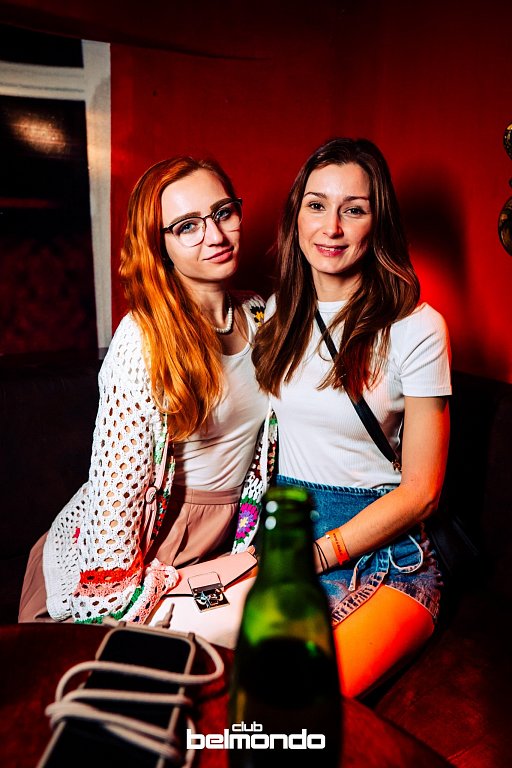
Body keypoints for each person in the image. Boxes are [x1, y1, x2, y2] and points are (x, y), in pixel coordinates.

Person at [19, 155, 268, 624]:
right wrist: (114, 591)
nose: (215, 235)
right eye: (187, 226)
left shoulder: (259, 313)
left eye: (223, 213)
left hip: (224, 541)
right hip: (144, 547)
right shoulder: (143, 339)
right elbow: (115, 496)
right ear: (159, 246)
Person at [249, 138, 451, 697]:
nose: (331, 227)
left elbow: (423, 493)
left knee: (301, 701)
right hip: (286, 538)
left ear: (377, 221)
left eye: (353, 209)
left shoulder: (416, 327)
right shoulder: (276, 316)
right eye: (316, 205)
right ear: (296, 215)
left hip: (385, 552)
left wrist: (320, 552)